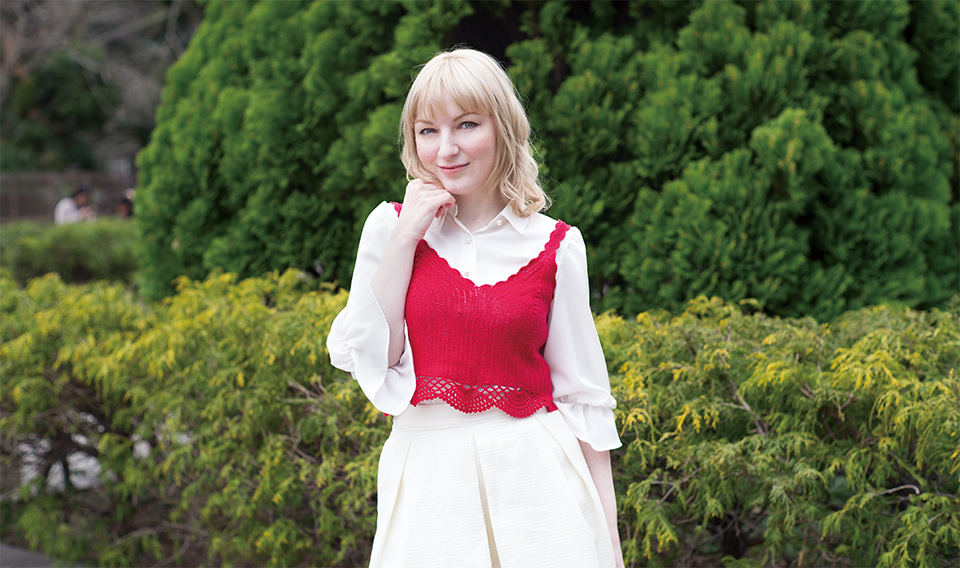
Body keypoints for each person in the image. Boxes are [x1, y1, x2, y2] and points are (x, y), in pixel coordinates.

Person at [327, 48, 624, 568]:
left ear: (502, 128)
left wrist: (611, 549)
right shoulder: (390, 228)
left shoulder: (557, 245)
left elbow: (584, 404)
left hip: (540, 491)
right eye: (428, 130)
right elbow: (376, 360)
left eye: (466, 124)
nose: (446, 149)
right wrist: (407, 235)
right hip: (428, 492)